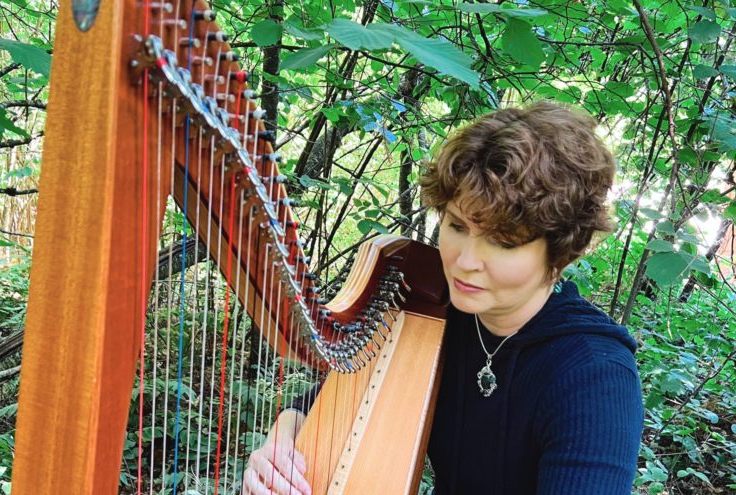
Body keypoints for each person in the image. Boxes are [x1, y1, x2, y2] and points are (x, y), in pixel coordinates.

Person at [241, 101, 644, 495]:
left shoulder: (595, 374)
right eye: (457, 225)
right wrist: (282, 439)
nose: (465, 262)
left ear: (560, 251)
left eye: (503, 243)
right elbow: (313, 403)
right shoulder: (433, 310)